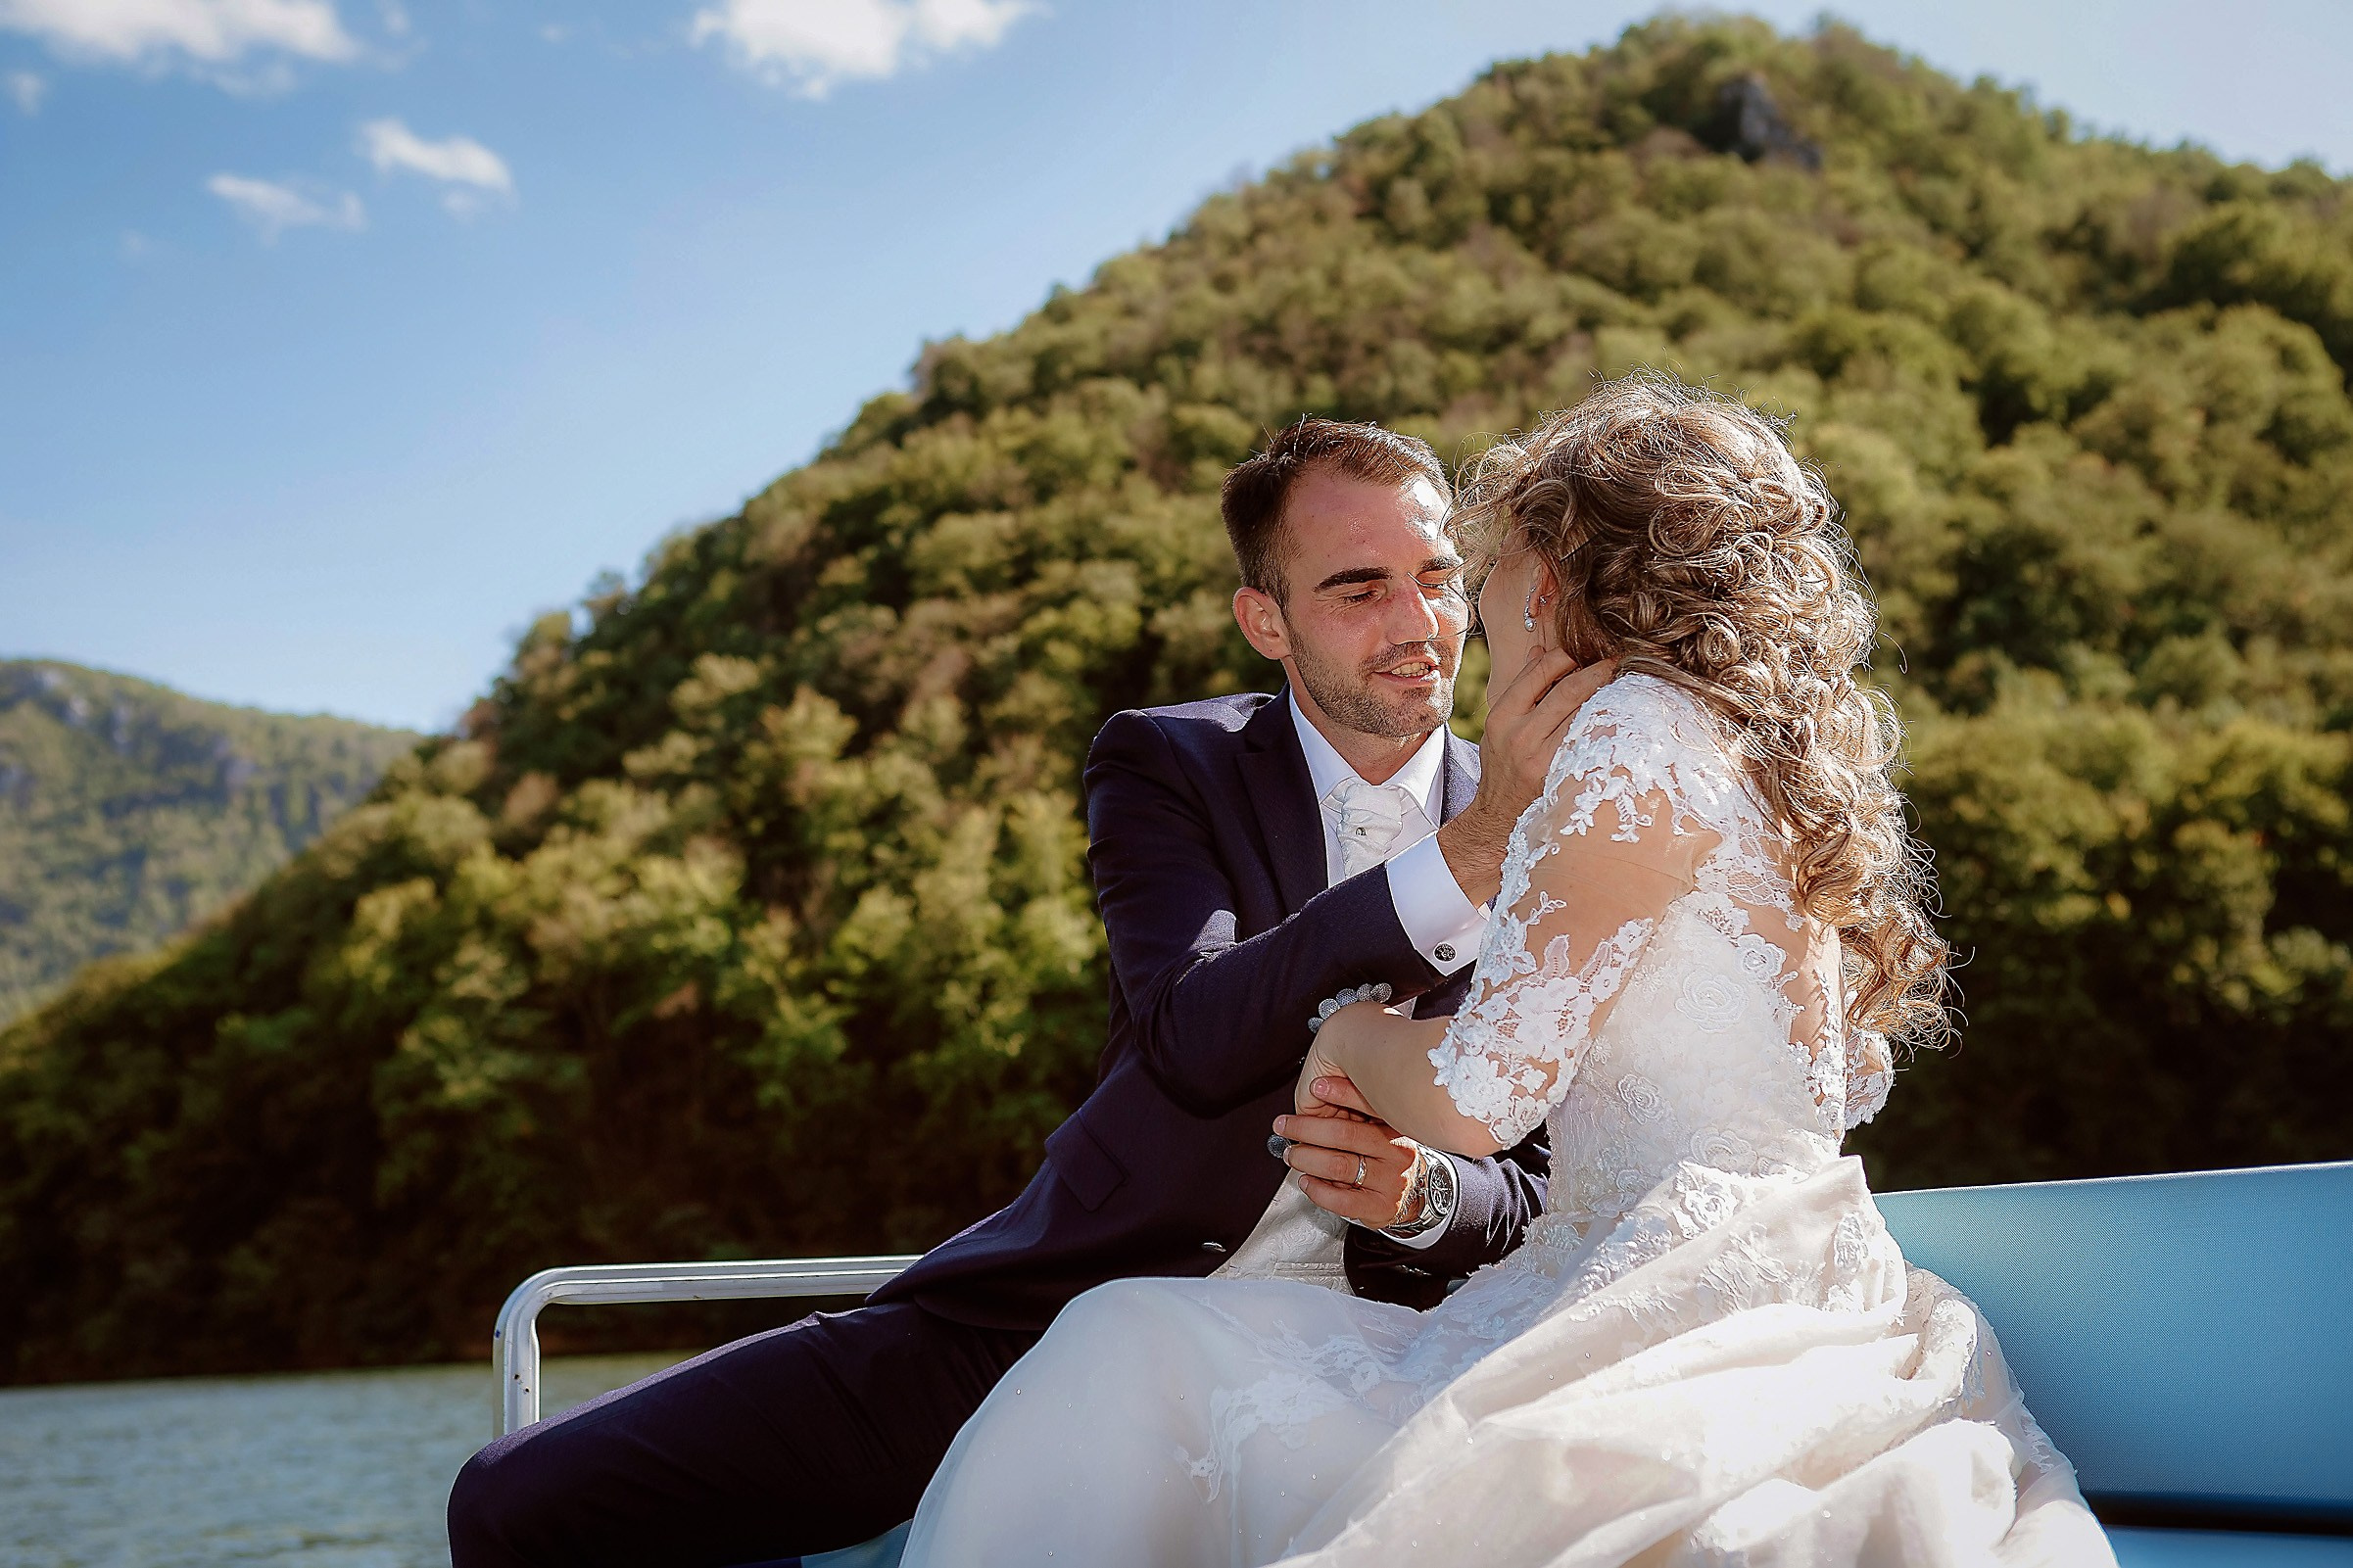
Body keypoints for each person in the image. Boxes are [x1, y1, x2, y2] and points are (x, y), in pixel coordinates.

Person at [896, 374, 2118, 1567]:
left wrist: (1348, 1044)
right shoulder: (1774, 762)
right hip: (1814, 1274)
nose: (1468, 606)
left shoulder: (1623, 750)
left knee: (1130, 1347)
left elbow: (1484, 1093)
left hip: (1655, 1296)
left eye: (1477, 568)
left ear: (1565, 567)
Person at [446, 417, 1603, 1566]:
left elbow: (1540, 1186)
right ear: (1267, 621)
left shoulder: (1574, 822)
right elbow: (1191, 1031)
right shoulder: (1167, 763)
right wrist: (1460, 859)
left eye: (1436, 576)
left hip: (1387, 1347)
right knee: (519, 1498)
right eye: (1358, 590)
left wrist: (1420, 1196)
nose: (1419, 626)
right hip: (1066, 1310)